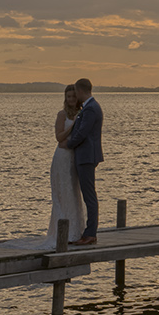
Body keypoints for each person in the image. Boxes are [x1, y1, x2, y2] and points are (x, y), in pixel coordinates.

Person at [64, 77, 104, 246]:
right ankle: (88, 232)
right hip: (86, 155)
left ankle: (90, 233)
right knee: (88, 194)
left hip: (87, 156)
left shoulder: (91, 109)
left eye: (77, 93)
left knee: (89, 195)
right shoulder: (89, 107)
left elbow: (82, 133)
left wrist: (68, 145)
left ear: (80, 91)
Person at [47, 85, 87, 243]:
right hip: (62, 157)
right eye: (68, 97)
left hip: (74, 156)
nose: (71, 100)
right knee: (63, 192)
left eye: (73, 97)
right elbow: (59, 137)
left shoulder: (82, 113)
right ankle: (63, 232)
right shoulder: (62, 114)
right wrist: (71, 127)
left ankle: (76, 231)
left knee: (73, 191)